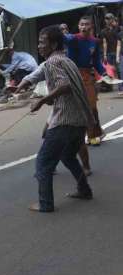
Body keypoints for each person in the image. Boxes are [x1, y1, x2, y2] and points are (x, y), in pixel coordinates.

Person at [11, 25, 95, 212]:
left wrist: (42, 101)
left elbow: (64, 85)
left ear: (54, 44)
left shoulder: (53, 63)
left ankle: (45, 203)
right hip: (80, 120)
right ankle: (84, 190)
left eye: (42, 42)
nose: (39, 46)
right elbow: (38, 74)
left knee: (43, 163)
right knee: (67, 156)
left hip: (64, 121)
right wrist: (22, 85)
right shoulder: (65, 60)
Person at [65, 15, 119, 150]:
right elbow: (61, 38)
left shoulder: (95, 41)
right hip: (71, 74)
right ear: (78, 26)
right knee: (66, 107)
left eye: (86, 24)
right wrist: (61, 34)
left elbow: (96, 62)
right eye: (81, 24)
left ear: (91, 27)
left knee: (91, 106)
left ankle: (93, 135)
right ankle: (53, 135)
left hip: (87, 76)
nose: (84, 27)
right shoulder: (73, 39)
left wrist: (104, 73)